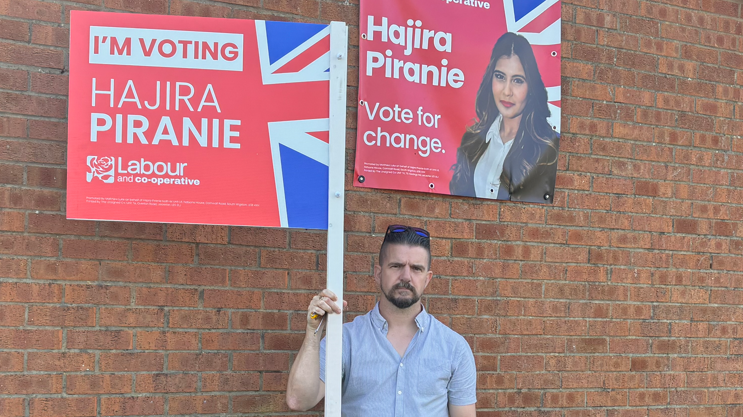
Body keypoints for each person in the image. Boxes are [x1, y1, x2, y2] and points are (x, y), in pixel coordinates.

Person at [286, 225, 477, 416]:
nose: (406, 277)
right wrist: (314, 329)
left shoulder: (454, 348)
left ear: (427, 279)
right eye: (396, 266)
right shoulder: (345, 340)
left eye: (416, 269)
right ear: (378, 273)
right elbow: (299, 400)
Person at [449, 32, 559, 204]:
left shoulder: (548, 149)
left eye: (517, 80)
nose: (506, 91)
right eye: (500, 77)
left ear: (531, 87)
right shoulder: (472, 141)